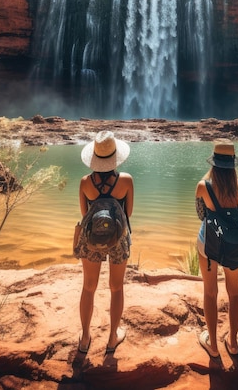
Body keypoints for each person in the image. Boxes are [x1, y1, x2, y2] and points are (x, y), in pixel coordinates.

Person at [74, 130, 134, 355]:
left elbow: (84, 214)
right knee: (116, 287)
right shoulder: (126, 180)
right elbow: (128, 213)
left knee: (88, 288)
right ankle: (112, 338)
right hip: (119, 239)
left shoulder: (85, 182)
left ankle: (85, 338)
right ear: (115, 156)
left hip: (91, 240)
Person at [195, 139, 238, 358]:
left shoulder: (203, 186)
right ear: (233, 164)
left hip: (209, 243)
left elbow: (201, 215)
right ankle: (233, 342)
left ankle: (213, 346)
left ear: (214, 163)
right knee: (234, 292)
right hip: (233, 244)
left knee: (210, 292)